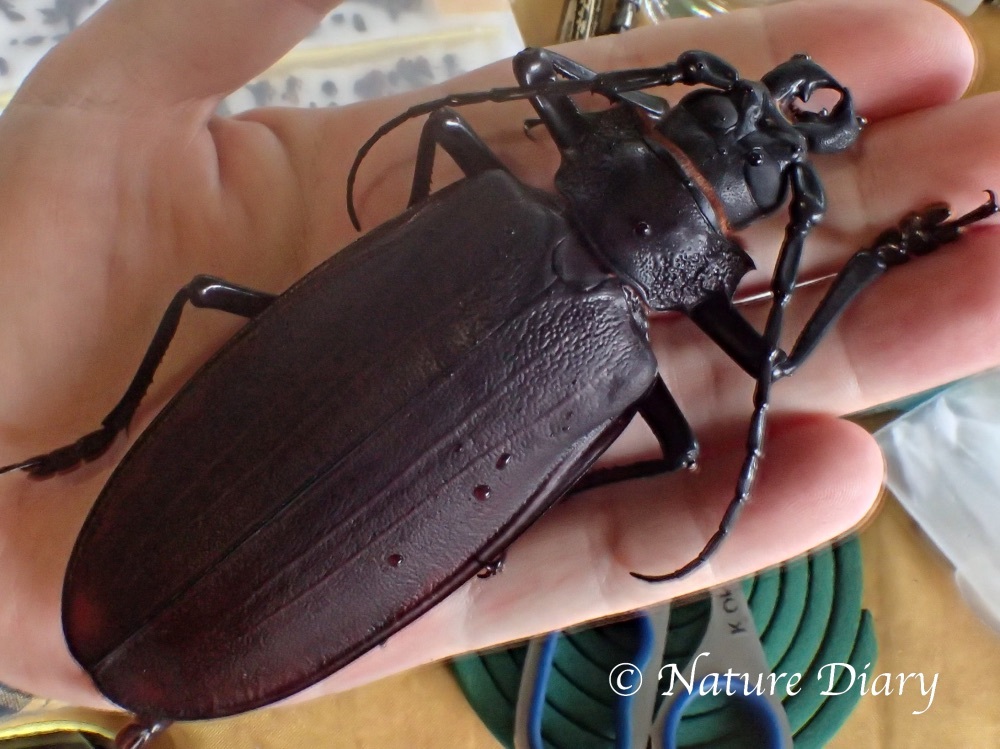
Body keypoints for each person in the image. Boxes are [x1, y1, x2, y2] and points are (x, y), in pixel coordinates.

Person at [0, 0, 996, 712]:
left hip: (212, 560)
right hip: (225, 572)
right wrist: (871, 259)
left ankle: (96, 442)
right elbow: (771, 363)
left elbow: (456, 129)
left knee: (206, 296)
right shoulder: (619, 359)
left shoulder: (495, 213)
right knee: (699, 447)